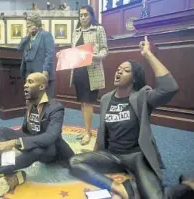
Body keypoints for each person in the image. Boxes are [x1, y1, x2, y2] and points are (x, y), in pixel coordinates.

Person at [69, 36, 179, 199]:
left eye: (126, 70)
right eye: (119, 69)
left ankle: (185, 186)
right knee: (74, 162)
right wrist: (95, 154)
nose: (119, 71)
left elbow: (170, 88)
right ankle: (120, 187)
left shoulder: (142, 96)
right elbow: (102, 131)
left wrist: (148, 54)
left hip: (136, 156)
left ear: (134, 78)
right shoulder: (106, 98)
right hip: (112, 155)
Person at [0, 72, 74, 197]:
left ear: (42, 87)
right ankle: (7, 170)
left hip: (51, 150)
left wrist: (15, 142)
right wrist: (17, 139)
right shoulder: (30, 102)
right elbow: (26, 130)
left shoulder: (56, 107)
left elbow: (50, 137)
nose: (25, 85)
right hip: (32, 137)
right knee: (1, 131)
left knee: (35, 151)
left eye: (30, 82)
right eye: (26, 82)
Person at [70, 5, 108, 145]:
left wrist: (95, 56)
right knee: (82, 102)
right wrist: (63, 56)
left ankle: (87, 132)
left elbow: (105, 50)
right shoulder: (76, 31)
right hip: (78, 72)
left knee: (88, 103)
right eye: (81, 15)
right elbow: (74, 52)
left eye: (85, 15)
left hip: (91, 71)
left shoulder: (98, 29)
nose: (83, 17)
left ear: (91, 15)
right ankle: (87, 129)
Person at [18, 12, 55, 98]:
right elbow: (19, 48)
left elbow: (49, 54)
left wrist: (45, 70)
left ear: (36, 24)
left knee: (44, 100)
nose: (27, 26)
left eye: (29, 24)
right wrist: (27, 35)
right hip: (29, 74)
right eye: (27, 24)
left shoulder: (46, 35)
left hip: (41, 74)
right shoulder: (28, 38)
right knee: (31, 100)